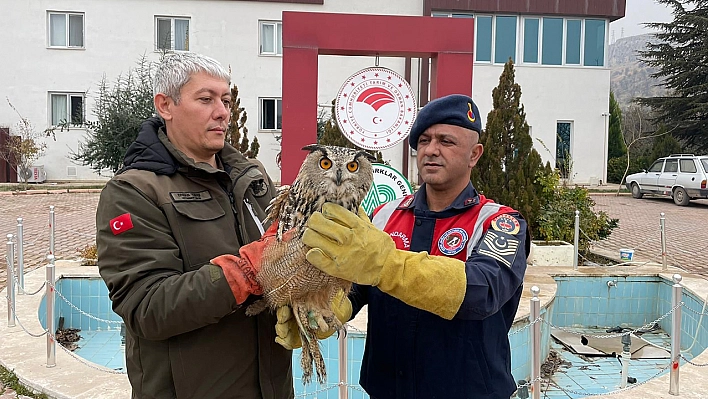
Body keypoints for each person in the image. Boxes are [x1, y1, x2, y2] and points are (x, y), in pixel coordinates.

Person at [97, 52, 305, 398]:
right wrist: (243, 273)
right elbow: (146, 308)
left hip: (272, 388)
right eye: (206, 99)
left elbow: (283, 260)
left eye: (226, 100)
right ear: (165, 106)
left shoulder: (252, 178)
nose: (222, 111)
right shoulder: (134, 192)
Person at [302, 94, 531, 399]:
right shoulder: (386, 215)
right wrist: (325, 310)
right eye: (424, 140)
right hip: (388, 391)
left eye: (446, 141)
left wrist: (387, 265)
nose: (431, 150)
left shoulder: (498, 222)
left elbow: (482, 291)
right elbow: (357, 285)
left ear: (474, 154)